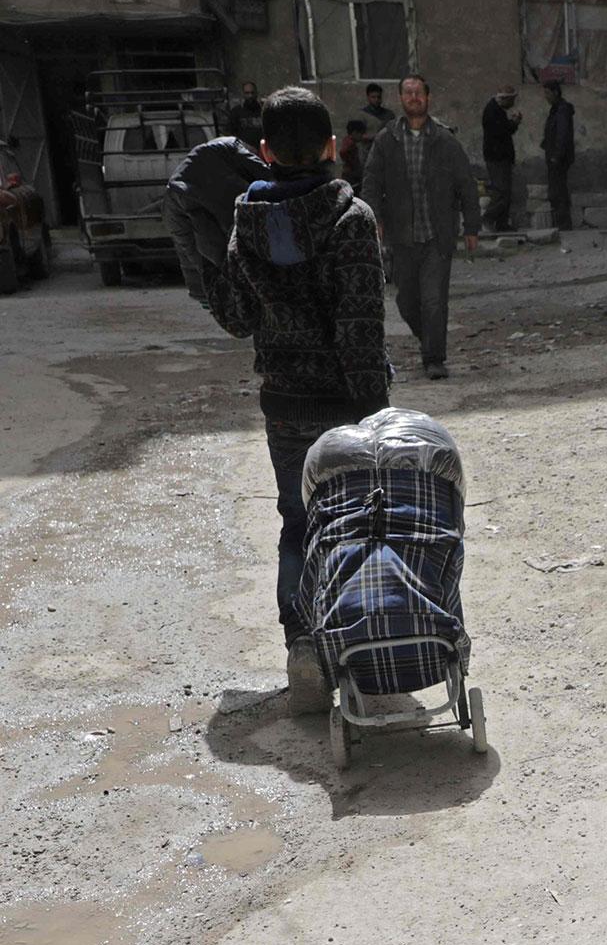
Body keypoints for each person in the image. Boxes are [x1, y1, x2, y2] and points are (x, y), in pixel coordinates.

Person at [199, 87, 389, 715]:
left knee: (298, 523)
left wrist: (208, 268)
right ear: (331, 147)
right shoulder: (352, 220)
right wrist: (376, 414)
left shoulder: (245, 223)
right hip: (344, 404)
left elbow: (235, 317)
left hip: (283, 405)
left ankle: (303, 646)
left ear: (265, 152)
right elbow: (360, 331)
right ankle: (364, 648)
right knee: (360, 523)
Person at [361, 74, 481, 380]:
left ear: (428, 98)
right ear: (400, 99)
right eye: (408, 93)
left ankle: (434, 358)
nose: (414, 97)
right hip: (402, 237)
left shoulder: (444, 140)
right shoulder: (387, 140)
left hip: (437, 235)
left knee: (434, 300)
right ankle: (428, 338)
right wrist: (373, 219)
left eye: (419, 93)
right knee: (406, 301)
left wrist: (472, 226)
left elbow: (466, 184)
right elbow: (372, 183)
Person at [165, 132, 266, 305]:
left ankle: (208, 297)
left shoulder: (210, 153)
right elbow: (266, 174)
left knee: (195, 254)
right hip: (197, 195)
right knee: (228, 250)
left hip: (172, 201)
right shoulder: (234, 146)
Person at [481, 84, 522, 233]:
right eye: (511, 100)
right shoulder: (493, 111)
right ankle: (488, 218)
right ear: (504, 99)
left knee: (505, 192)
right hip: (497, 157)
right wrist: (514, 123)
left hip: (500, 157)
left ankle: (502, 224)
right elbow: (502, 132)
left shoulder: (496, 110)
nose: (512, 104)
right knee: (501, 192)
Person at [542, 80, 576, 232]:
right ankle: (561, 223)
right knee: (557, 190)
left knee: (558, 191)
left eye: (548, 93)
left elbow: (562, 134)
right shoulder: (556, 109)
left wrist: (557, 155)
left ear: (555, 92)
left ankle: (563, 224)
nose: (546, 97)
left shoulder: (562, 110)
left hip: (558, 158)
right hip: (555, 156)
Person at [337, 117, 369, 189]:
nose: (362, 136)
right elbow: (343, 151)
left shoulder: (348, 139)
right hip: (351, 175)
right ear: (355, 133)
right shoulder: (351, 144)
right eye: (361, 134)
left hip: (351, 173)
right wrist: (349, 162)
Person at [231, 81, 264, 147]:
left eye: (252, 93)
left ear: (256, 93)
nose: (250, 96)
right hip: (243, 150)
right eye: (247, 93)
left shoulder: (264, 110)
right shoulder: (236, 112)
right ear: (243, 94)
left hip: (262, 150)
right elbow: (231, 134)